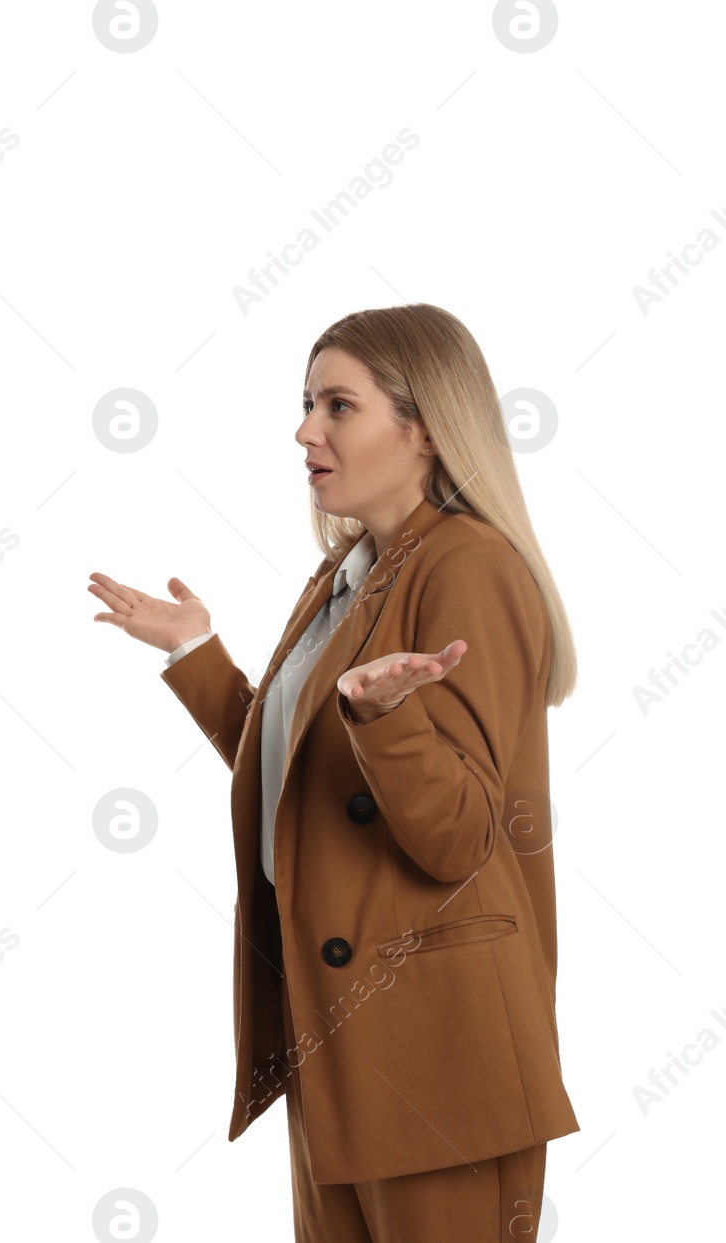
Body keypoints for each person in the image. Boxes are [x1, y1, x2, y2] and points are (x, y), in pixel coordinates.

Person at [89, 303, 579, 1241]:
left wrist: (385, 722)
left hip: (439, 1059)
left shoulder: (470, 566)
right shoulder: (351, 572)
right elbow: (301, 789)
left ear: (424, 426)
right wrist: (196, 653)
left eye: (337, 405)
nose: (306, 430)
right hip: (341, 1042)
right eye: (307, 402)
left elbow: (459, 833)